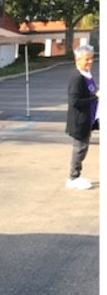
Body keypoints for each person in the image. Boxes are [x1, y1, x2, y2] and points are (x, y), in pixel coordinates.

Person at [65, 44, 98, 190]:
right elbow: (75, 101)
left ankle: (77, 175)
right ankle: (73, 177)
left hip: (88, 118)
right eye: (87, 59)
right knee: (79, 149)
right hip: (79, 121)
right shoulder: (77, 78)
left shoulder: (87, 75)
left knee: (83, 149)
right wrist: (95, 97)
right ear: (77, 60)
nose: (90, 62)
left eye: (92, 59)